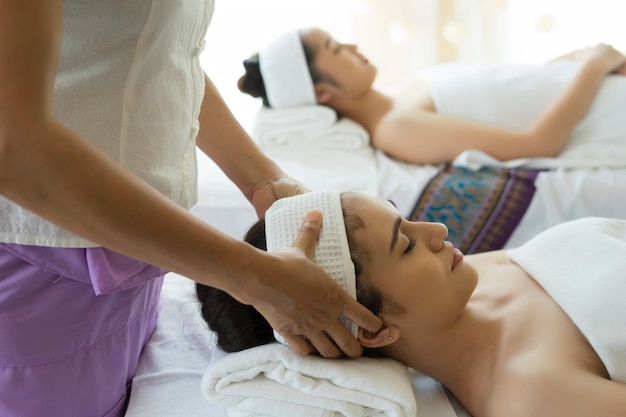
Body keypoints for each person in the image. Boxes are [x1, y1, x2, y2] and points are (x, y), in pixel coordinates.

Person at [0, 2, 382, 416]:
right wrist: (254, 278)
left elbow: (163, 55)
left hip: (140, 251)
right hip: (42, 262)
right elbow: (12, 144)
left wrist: (262, 180)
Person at [197, 189, 626, 417]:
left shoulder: (471, 277)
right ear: (370, 329)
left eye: (403, 218)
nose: (437, 229)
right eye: (405, 245)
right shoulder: (531, 395)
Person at [238, 27, 626, 165]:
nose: (353, 45)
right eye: (336, 48)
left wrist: (577, 59)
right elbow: (536, 144)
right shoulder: (396, 129)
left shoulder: (403, 94)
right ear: (322, 93)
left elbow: (510, 89)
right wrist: (593, 66)